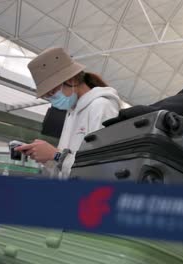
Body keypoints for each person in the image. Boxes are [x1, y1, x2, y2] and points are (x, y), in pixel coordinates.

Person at [16, 47, 121, 179]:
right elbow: (67, 165)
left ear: (71, 80)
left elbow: (101, 165)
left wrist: (55, 155)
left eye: (52, 92)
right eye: (47, 96)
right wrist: (48, 158)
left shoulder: (101, 106)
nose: (52, 100)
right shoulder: (72, 113)